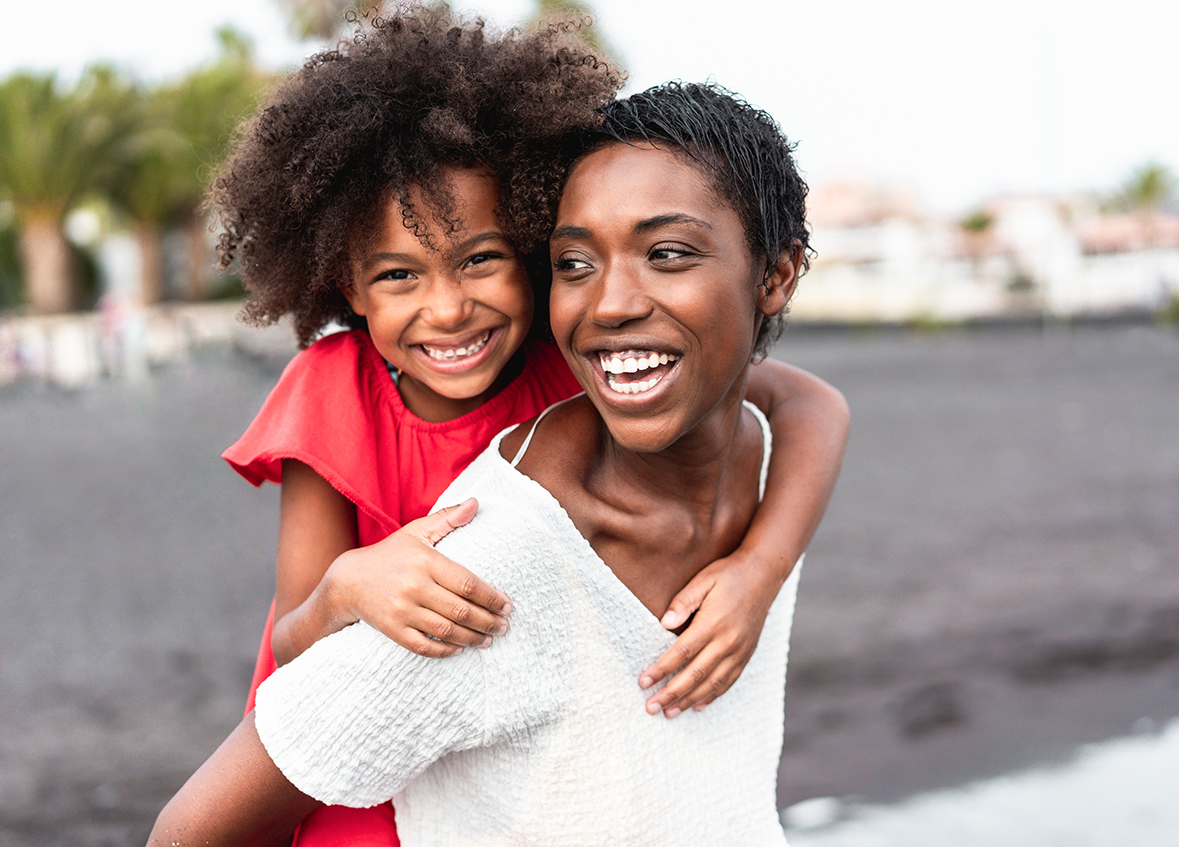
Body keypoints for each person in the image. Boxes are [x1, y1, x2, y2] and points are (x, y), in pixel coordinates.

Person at [203, 7, 848, 845]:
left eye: (481, 259)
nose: (447, 307)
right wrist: (349, 586)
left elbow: (809, 403)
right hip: (351, 763)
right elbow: (294, 642)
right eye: (399, 275)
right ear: (348, 288)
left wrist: (759, 571)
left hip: (491, 760)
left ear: (531, 252)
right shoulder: (336, 393)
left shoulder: (576, 354)